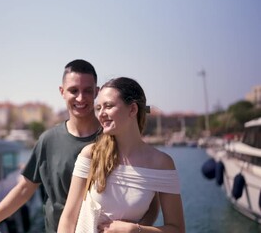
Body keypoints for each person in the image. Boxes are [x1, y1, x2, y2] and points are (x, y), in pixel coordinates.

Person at [0, 61, 158, 233]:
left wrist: (135, 229)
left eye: (87, 90)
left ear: (97, 92)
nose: (81, 97)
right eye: (73, 90)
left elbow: (149, 201)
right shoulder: (48, 140)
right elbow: (23, 190)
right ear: (62, 92)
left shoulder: (117, 136)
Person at [58, 77, 185, 233]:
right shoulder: (91, 155)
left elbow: (177, 229)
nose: (101, 114)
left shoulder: (162, 163)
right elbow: (68, 219)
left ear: (132, 109)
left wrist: (135, 230)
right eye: (98, 108)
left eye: (108, 106)